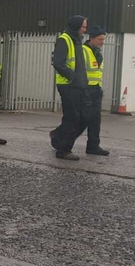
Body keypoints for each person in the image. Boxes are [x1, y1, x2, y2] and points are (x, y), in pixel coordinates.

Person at [50, 15, 89, 161]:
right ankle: (64, 150)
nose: (85, 29)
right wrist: (73, 77)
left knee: (82, 117)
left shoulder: (77, 41)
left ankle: (57, 136)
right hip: (68, 85)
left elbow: (80, 65)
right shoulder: (64, 40)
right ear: (76, 26)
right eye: (83, 27)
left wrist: (82, 81)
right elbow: (58, 63)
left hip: (78, 85)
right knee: (73, 118)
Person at [81, 26, 110, 156]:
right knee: (79, 120)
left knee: (95, 119)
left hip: (96, 90)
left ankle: (93, 146)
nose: (102, 42)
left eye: (103, 39)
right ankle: (58, 139)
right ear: (91, 38)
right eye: (100, 39)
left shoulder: (97, 53)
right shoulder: (84, 51)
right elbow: (79, 71)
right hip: (85, 90)